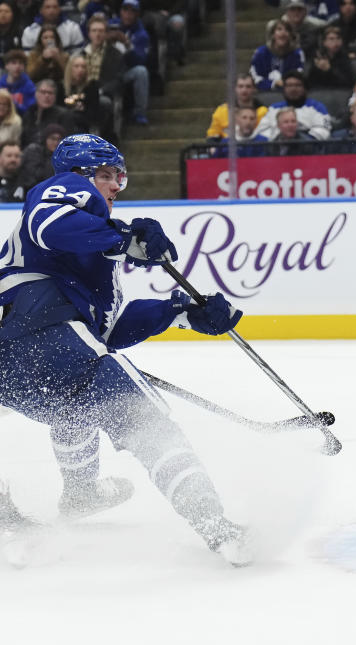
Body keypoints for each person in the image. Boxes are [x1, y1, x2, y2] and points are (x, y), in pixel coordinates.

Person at [0, 134, 252, 566]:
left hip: (19, 368)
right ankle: (214, 522)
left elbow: (109, 327)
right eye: (107, 175)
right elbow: (48, 221)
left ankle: (80, 494)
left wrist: (182, 311)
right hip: (36, 331)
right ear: (80, 175)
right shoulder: (71, 194)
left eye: (120, 176)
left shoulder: (94, 256)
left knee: (74, 405)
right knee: (141, 416)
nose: (117, 185)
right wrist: (123, 238)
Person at [253, 70, 331, 141]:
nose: (293, 89)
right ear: (284, 89)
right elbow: (262, 130)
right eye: (289, 85)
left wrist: (302, 141)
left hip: (307, 149)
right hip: (277, 149)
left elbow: (323, 129)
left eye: (297, 85)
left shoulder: (317, 107)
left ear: (305, 89)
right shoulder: (273, 108)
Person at [108, 1, 152, 125]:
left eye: (132, 11)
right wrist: (107, 38)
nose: (128, 14)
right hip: (106, 69)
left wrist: (127, 45)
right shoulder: (111, 25)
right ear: (120, 11)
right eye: (125, 10)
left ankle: (140, 113)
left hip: (125, 71)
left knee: (141, 72)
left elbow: (141, 60)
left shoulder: (141, 34)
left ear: (137, 14)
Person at [62, 54, 115, 142]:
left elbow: (92, 112)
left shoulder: (91, 86)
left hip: (85, 124)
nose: (80, 70)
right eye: (76, 66)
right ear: (70, 69)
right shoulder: (61, 87)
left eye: (83, 67)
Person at [206, 73, 269, 141]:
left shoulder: (264, 112)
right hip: (226, 149)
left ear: (254, 89)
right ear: (234, 88)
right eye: (240, 86)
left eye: (248, 86)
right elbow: (213, 135)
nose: (244, 90)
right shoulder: (222, 110)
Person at [249, 18, 305, 91]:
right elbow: (255, 77)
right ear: (273, 35)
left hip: (290, 92)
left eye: (287, 30)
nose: (283, 33)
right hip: (264, 92)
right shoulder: (260, 52)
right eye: (279, 29)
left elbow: (299, 74)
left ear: (290, 36)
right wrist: (273, 83)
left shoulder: (297, 53)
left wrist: (284, 83)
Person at [20, 77, 72, 147]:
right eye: (43, 92)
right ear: (36, 94)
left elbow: (67, 142)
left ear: (55, 96)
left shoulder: (63, 115)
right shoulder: (29, 112)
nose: (47, 96)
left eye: (50, 93)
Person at [17, 120, 62, 188]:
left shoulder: (61, 158)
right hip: (25, 188)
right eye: (53, 138)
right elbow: (20, 169)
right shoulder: (32, 150)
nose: (56, 142)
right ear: (45, 138)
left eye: (59, 139)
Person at [0, 48, 33, 114]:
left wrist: (11, 101)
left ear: (24, 67)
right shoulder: (1, 84)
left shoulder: (29, 85)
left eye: (21, 63)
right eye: (13, 63)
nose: (17, 66)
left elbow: (29, 110)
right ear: (6, 66)